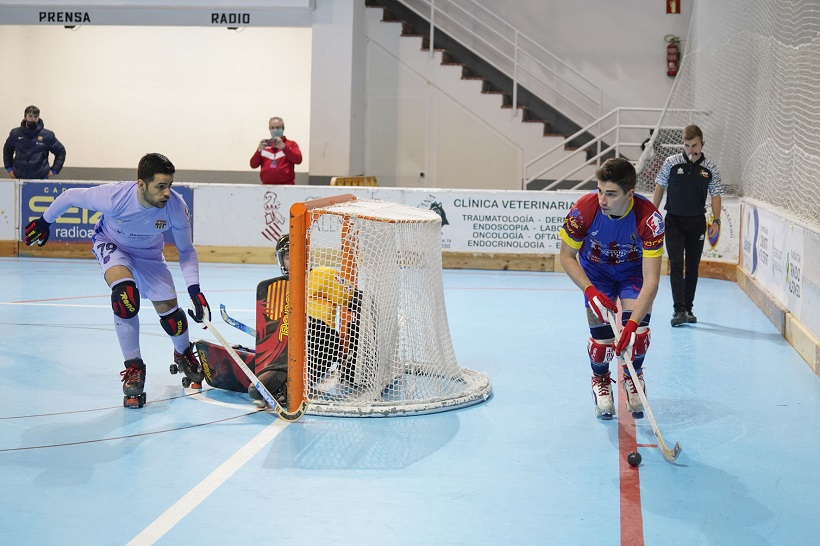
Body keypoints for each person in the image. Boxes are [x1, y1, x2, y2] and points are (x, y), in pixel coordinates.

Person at [24, 153, 209, 408]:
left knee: (173, 317)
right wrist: (45, 222)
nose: (167, 193)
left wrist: (195, 289)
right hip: (112, 245)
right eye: (161, 186)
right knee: (125, 298)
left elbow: (187, 250)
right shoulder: (114, 197)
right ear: (141, 184)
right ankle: (134, 368)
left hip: (150, 256)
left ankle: (183, 352)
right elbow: (69, 197)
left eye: (170, 185)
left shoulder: (176, 207)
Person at [559, 157, 665, 419]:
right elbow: (566, 257)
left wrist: (630, 324)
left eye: (610, 194)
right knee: (602, 342)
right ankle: (600, 379)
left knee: (637, 335)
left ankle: (633, 375)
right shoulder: (584, 210)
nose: (602, 200)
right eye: (599, 191)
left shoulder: (649, 218)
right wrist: (590, 291)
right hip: (597, 276)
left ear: (629, 194)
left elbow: (651, 280)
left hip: (632, 275)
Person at [653, 124, 724, 327]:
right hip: (674, 221)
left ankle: (689, 308)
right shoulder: (672, 162)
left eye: (694, 145)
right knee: (675, 263)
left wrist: (716, 220)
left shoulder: (710, 168)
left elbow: (716, 194)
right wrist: (653, 212)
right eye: (686, 145)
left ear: (702, 144)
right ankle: (679, 310)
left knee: (692, 266)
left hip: (696, 223)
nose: (690, 150)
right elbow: (660, 185)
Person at [4, 105, 66, 180]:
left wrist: (54, 170)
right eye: (30, 116)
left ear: (38, 118)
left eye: (35, 117)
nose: (33, 119)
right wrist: (9, 169)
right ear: (25, 117)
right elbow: (7, 150)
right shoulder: (15, 133)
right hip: (18, 178)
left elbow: (61, 151)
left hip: (41, 179)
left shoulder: (47, 135)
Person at [249, 116, 302, 185]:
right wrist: (258, 151)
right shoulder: (265, 146)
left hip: (287, 187)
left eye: (278, 127)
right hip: (266, 187)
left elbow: (298, 160)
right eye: (272, 128)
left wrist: (284, 148)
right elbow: (253, 165)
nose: (275, 130)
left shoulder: (291, 144)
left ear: (283, 129)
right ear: (269, 129)